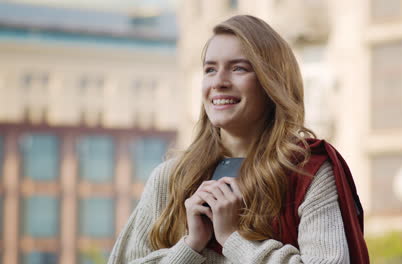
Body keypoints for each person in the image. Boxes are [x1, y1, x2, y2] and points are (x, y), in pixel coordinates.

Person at [108, 15, 369, 264]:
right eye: (210, 69)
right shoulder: (170, 178)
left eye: (238, 68)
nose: (219, 81)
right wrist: (190, 245)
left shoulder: (307, 173)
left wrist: (234, 239)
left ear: (272, 83)